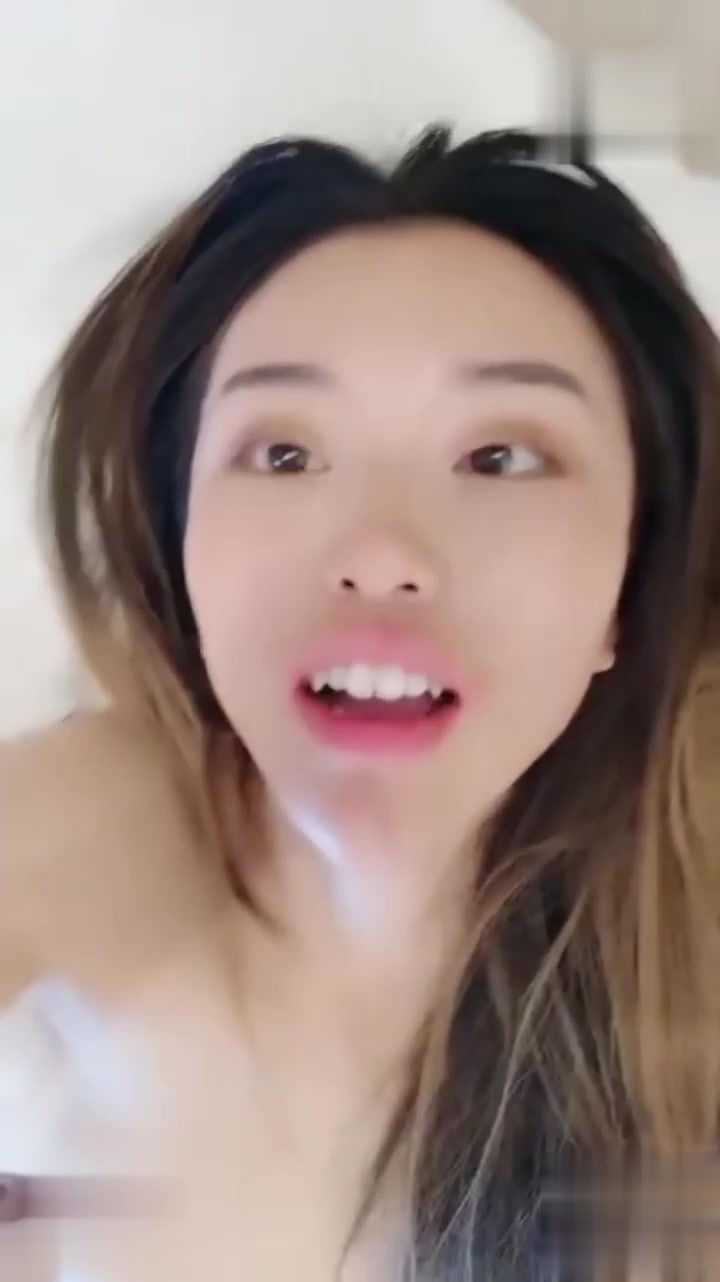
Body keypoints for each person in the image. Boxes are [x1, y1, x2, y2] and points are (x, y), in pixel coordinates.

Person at [1, 124, 719, 1281]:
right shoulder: (64, 838)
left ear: (630, 594)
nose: (382, 552)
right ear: (180, 551)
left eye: (501, 457)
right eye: (284, 454)